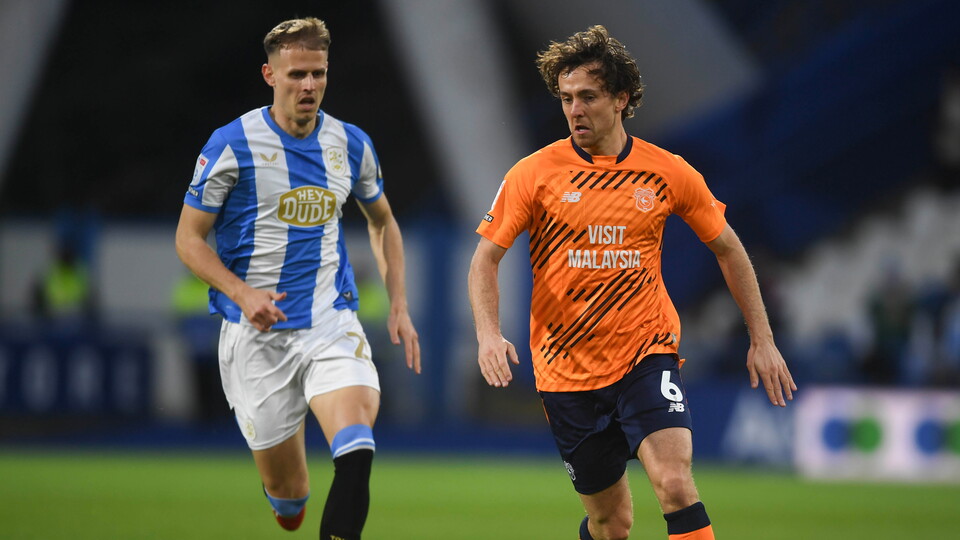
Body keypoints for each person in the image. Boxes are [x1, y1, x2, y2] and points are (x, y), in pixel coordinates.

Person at [467, 26, 795, 540]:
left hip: (645, 354)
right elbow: (484, 260)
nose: (575, 109)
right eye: (567, 98)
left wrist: (763, 339)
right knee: (610, 522)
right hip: (564, 371)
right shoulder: (533, 174)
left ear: (621, 99)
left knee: (674, 483)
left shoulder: (667, 171)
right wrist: (488, 334)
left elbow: (729, 248)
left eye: (588, 97)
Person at [175, 17, 420, 540]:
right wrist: (241, 294)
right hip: (254, 339)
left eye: (318, 74)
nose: (309, 86)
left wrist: (398, 302)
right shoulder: (231, 143)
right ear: (270, 74)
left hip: (329, 322)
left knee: (356, 449)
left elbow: (384, 222)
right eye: (296, 75)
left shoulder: (350, 144)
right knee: (290, 503)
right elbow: (188, 239)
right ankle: (287, 502)